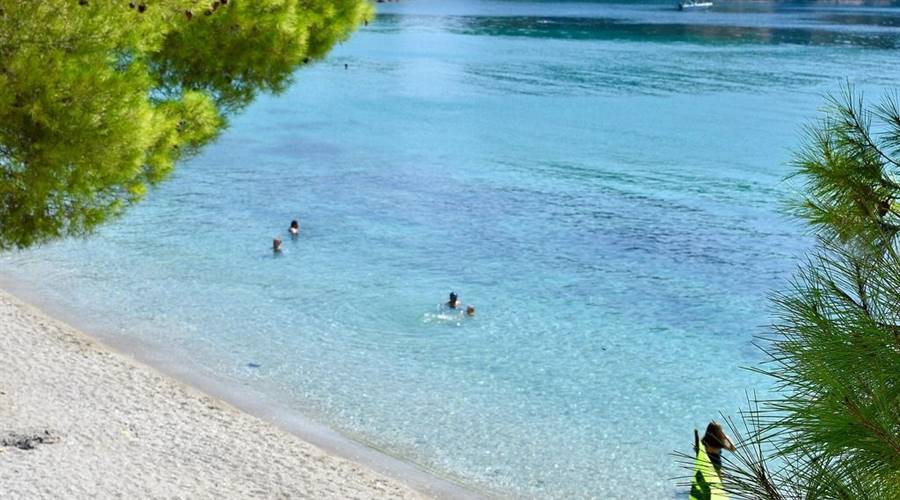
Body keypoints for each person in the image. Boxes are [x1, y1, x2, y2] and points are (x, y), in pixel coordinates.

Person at [689, 421, 736, 500]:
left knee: (706, 483)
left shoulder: (704, 441)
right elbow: (733, 449)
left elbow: (695, 449)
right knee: (718, 485)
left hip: (706, 464)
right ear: (718, 431)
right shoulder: (720, 441)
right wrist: (727, 438)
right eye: (720, 430)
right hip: (716, 464)